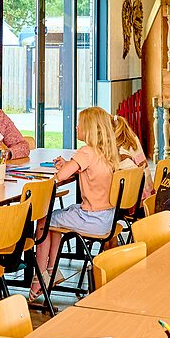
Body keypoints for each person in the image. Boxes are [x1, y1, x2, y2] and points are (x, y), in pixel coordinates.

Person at [31, 107, 119, 300]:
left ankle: (39, 277)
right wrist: (70, 164)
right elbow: (88, 171)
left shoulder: (86, 152)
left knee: (44, 222)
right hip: (106, 218)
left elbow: (61, 176)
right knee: (56, 220)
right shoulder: (106, 152)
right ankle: (53, 271)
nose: (76, 127)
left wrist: (66, 167)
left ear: (88, 129)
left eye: (80, 124)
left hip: (91, 218)